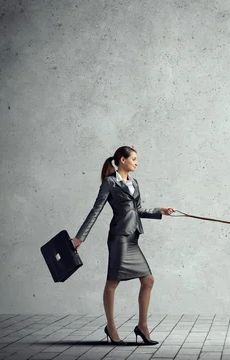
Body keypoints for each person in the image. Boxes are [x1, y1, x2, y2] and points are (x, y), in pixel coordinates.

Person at [71, 146, 176, 346]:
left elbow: (137, 210)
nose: (136, 163)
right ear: (122, 160)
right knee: (113, 282)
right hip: (119, 238)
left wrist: (160, 210)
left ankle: (142, 327)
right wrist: (79, 238)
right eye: (133, 159)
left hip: (133, 238)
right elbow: (96, 210)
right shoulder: (110, 183)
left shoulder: (134, 182)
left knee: (148, 280)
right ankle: (111, 326)